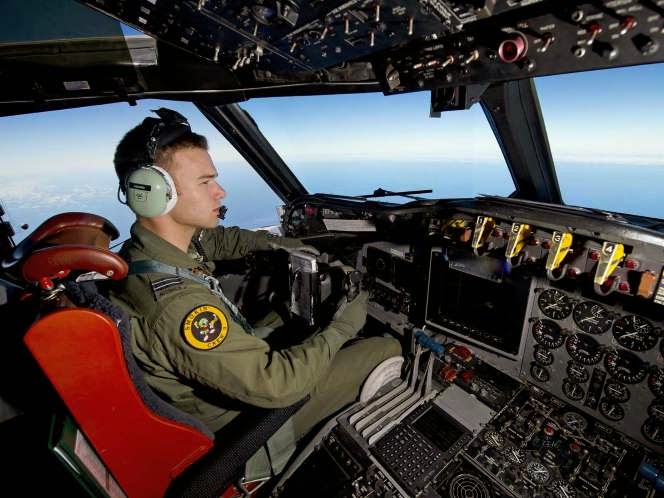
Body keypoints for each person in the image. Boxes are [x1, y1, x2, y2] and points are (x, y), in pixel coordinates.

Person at [108, 108, 402, 481]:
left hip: (222, 389)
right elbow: (277, 385)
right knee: (384, 347)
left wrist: (295, 249)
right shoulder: (177, 306)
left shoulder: (148, 251)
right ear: (152, 194)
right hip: (248, 429)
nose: (221, 191)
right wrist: (343, 326)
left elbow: (226, 240)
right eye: (205, 182)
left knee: (294, 318)